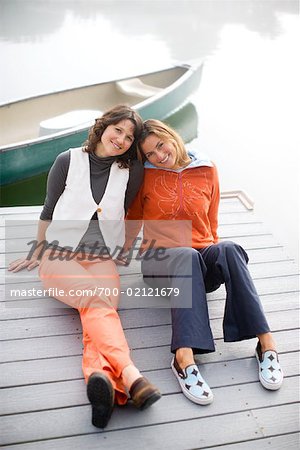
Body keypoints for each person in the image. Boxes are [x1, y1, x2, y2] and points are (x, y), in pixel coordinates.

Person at [8, 106, 161, 428]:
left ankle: (103, 382)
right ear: (103, 127)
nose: (121, 139)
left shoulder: (131, 169)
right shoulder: (68, 160)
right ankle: (131, 375)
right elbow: (48, 208)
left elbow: (130, 211)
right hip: (58, 254)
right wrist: (37, 250)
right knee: (98, 301)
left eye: (129, 136)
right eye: (117, 130)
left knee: (98, 308)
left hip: (102, 256)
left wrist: (125, 249)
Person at [124, 119, 283, 405]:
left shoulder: (207, 169)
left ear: (172, 137)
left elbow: (211, 222)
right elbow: (132, 218)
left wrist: (216, 256)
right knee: (186, 256)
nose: (159, 156)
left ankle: (266, 343)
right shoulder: (144, 176)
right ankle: (183, 357)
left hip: (197, 263)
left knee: (230, 249)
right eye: (150, 154)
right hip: (160, 264)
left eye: (161, 145)